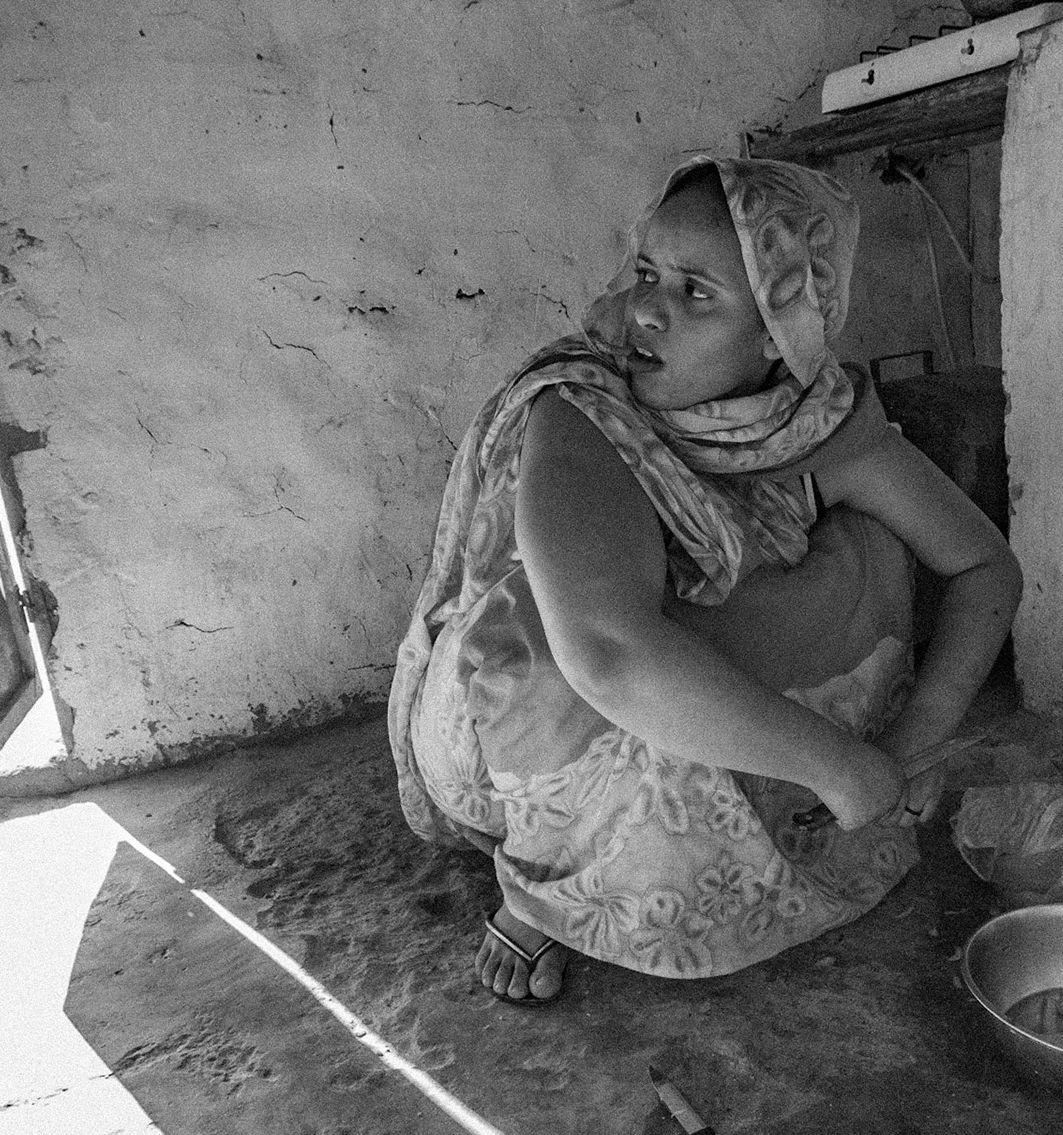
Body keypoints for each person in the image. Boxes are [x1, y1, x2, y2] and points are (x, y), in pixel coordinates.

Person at [389, 156, 1021, 1005]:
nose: (645, 309)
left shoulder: (815, 421)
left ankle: (765, 807)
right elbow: (608, 653)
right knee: (557, 617)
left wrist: (919, 734)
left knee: (871, 543)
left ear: (777, 334)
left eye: (697, 294)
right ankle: (551, 888)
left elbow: (984, 566)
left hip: (692, 693)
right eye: (648, 272)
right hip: (528, 715)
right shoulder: (582, 406)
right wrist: (839, 766)